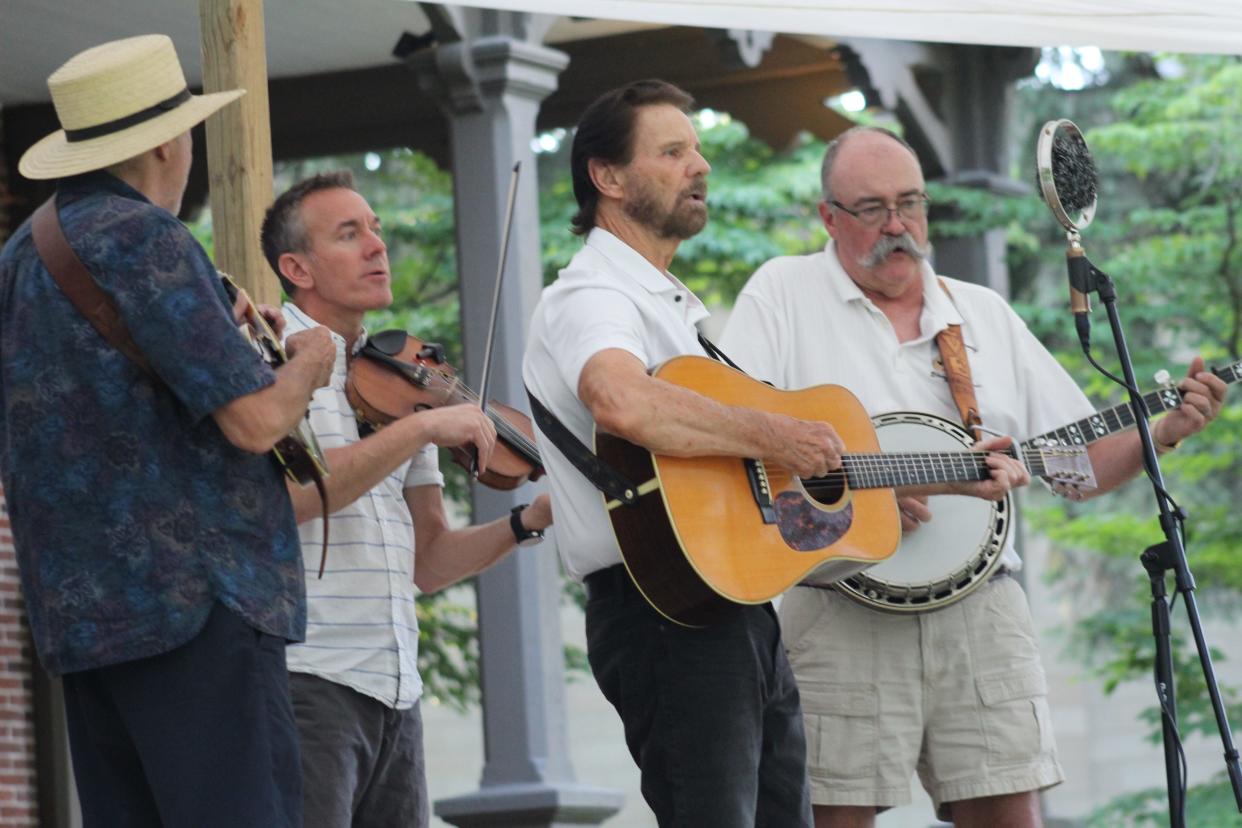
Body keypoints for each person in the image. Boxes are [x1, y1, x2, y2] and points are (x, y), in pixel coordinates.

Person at [521, 81, 1027, 828]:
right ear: (609, 177)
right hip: (663, 612)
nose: (700, 166)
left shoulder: (672, 310)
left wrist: (948, 475)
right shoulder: (592, 295)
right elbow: (622, 401)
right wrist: (776, 436)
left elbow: (743, 477)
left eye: (697, 149)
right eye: (672, 152)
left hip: (733, 608)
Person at [718, 125, 1227, 828]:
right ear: (828, 217)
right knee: (832, 816)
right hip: (840, 606)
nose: (896, 225)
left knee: (1011, 814)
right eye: (870, 209)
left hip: (981, 606)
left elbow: (1074, 466)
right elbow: (733, 440)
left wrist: (1159, 433)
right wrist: (859, 499)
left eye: (910, 203)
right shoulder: (782, 293)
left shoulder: (979, 312)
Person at [0, 35, 337, 827]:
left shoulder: (17, 257)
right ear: (165, 140)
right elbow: (256, 422)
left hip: (83, 621)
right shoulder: (147, 238)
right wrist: (312, 359)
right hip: (198, 608)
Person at [259, 170, 555, 828]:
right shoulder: (270, 358)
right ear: (295, 267)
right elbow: (293, 495)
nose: (376, 246)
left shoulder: (400, 380)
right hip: (308, 682)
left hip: (395, 691)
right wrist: (422, 428)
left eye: (376, 230)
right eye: (349, 233)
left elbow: (430, 560)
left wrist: (528, 520)